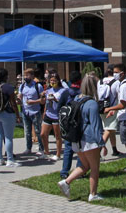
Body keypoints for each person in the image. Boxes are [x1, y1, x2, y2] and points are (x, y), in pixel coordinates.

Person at [58, 74, 105, 202]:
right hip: (89, 139)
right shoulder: (92, 103)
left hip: (76, 139)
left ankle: (66, 182)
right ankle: (93, 194)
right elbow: (95, 126)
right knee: (95, 168)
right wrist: (102, 143)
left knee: (85, 165)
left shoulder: (77, 99)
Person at [105, 64, 126, 172]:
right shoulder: (122, 84)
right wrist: (114, 111)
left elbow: (123, 104)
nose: (114, 74)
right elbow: (121, 104)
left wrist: (110, 108)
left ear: (122, 73)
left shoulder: (124, 86)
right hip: (124, 116)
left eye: (116, 72)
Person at [0, 68, 21, 167]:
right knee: (8, 137)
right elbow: (13, 103)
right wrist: (18, 115)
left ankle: (0, 159)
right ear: (6, 76)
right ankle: (10, 159)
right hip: (7, 113)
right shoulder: (8, 87)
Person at [60, 71, 84, 179]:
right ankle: (79, 171)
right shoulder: (83, 92)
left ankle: (64, 171)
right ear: (80, 80)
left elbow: (59, 108)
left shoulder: (65, 93)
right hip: (79, 123)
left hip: (68, 124)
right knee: (80, 148)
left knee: (68, 149)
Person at [40, 72, 68, 161]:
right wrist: (44, 110)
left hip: (57, 115)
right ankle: (46, 152)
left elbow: (64, 102)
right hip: (48, 113)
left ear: (58, 81)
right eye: (51, 80)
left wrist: (56, 100)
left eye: (54, 80)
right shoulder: (48, 90)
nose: (52, 82)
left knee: (57, 135)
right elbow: (46, 102)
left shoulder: (62, 91)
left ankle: (58, 154)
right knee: (43, 134)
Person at [97, 65, 123, 157]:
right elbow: (119, 95)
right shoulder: (116, 82)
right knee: (109, 130)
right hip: (112, 108)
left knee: (110, 129)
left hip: (101, 108)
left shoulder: (100, 81)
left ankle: (114, 149)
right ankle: (98, 151)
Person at [19, 68, 44, 156]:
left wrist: (33, 102)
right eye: (25, 75)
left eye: (28, 75)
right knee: (27, 131)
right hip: (25, 112)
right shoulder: (22, 86)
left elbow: (43, 100)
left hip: (35, 111)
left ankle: (41, 148)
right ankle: (28, 148)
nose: (26, 77)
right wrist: (18, 100)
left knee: (38, 130)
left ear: (32, 76)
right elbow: (20, 96)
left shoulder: (38, 86)